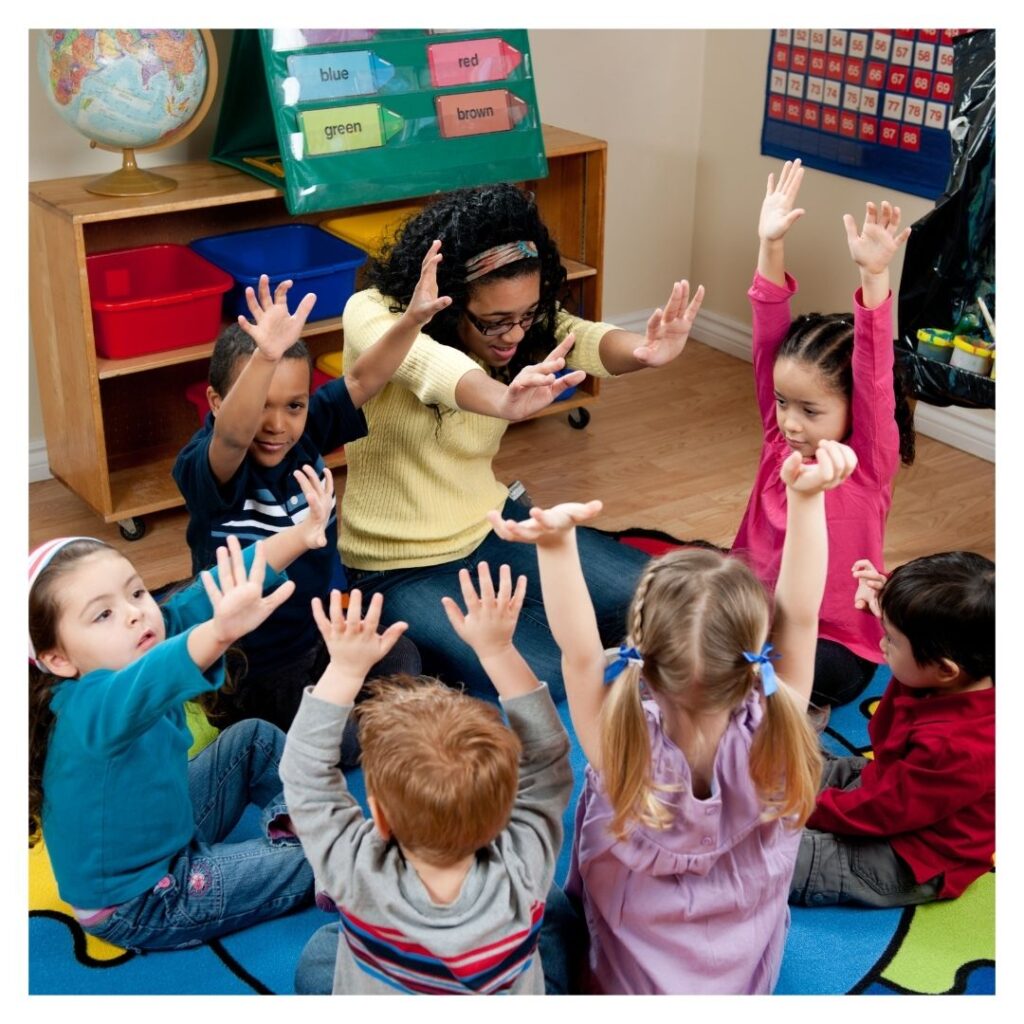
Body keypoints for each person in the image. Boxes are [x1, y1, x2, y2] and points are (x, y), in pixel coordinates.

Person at [489, 439, 858, 994]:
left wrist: (557, 544)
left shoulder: (620, 744)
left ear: (643, 654)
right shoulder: (781, 732)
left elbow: (582, 654)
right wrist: (807, 501)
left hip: (629, 983)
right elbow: (801, 618)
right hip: (740, 975)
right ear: (753, 654)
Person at [339, 181, 706, 700]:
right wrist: (501, 398)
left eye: (526, 316)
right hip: (397, 568)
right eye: (494, 322)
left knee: (667, 599)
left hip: (496, 529)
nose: (513, 335)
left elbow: (584, 336)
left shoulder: (524, 322)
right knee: (545, 679)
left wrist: (643, 350)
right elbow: (429, 366)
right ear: (448, 303)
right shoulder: (370, 311)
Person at [27, 466, 334, 951]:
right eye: (103, 614)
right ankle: (312, 851)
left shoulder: (142, 636)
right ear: (58, 660)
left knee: (253, 738)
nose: (134, 612)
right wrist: (220, 634)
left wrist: (301, 534)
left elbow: (217, 586)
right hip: (143, 900)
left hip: (171, 821)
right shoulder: (91, 707)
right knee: (331, 858)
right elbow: (162, 673)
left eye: (136, 592)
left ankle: (293, 822)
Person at [172, 244, 449, 737]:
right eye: (261, 404)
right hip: (254, 668)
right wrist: (266, 356)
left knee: (405, 654)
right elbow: (233, 435)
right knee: (344, 736)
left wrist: (412, 321)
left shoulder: (304, 431)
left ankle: (364, 716)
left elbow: (363, 379)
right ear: (217, 402)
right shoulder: (207, 467)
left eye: (294, 405)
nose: (277, 424)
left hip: (324, 636)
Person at [280, 564, 573, 995]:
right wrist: (497, 652)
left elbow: (304, 773)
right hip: (504, 966)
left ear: (377, 816)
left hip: (382, 964)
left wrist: (343, 671)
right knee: (551, 903)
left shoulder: (353, 869)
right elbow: (547, 757)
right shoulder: (525, 865)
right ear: (505, 811)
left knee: (320, 955)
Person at [731, 158, 916, 716]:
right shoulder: (779, 439)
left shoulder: (867, 462)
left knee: (760, 683)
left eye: (810, 410)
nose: (789, 421)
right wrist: (770, 245)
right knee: (687, 638)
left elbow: (876, 368)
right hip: (754, 619)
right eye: (783, 403)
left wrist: (874, 278)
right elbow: (768, 335)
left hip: (836, 644)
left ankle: (792, 738)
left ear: (849, 409)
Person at [790, 550, 994, 908]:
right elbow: (888, 743)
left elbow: (883, 811)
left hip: (909, 855)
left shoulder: (957, 746)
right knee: (798, 767)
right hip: (892, 784)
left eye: (892, 639)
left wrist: (802, 810)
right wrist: (897, 606)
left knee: (777, 856)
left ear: (945, 671)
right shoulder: (966, 670)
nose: (882, 644)